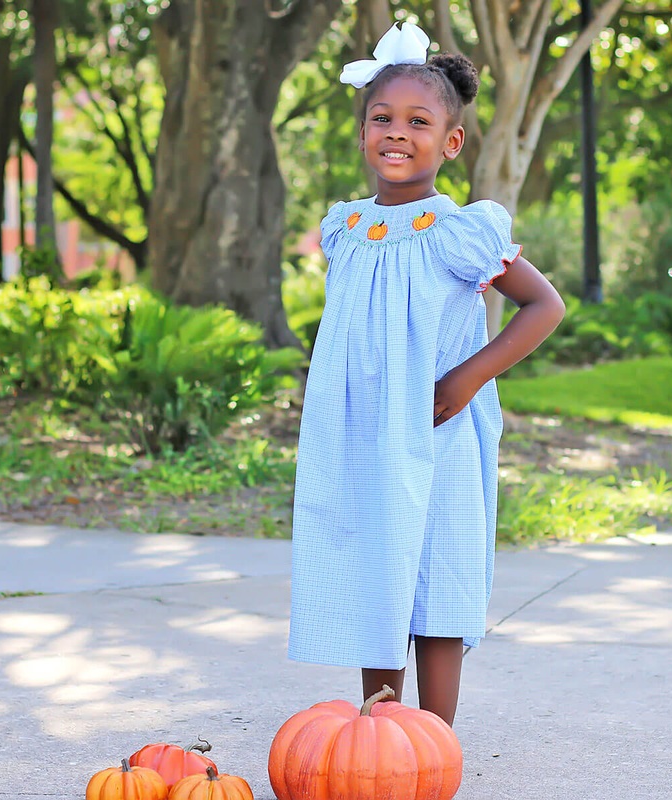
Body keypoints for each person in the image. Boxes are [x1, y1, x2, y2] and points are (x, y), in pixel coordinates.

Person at [288, 21, 566, 727]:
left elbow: (543, 306)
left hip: (438, 428)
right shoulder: (345, 228)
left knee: (437, 576)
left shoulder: (459, 230)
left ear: (450, 142)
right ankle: (377, 733)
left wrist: (467, 378)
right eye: (381, 117)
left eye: (418, 121)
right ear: (361, 133)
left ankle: (435, 741)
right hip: (365, 436)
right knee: (377, 574)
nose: (396, 132)